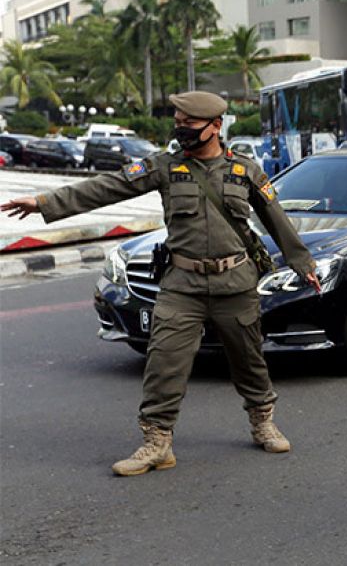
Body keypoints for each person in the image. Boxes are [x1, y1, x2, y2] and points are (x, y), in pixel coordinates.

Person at [2, 92, 320, 477]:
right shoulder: (165, 167)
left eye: (189, 123)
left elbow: (276, 218)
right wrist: (44, 203)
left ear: (215, 126)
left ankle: (262, 421)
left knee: (248, 360)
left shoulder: (245, 171)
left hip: (234, 283)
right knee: (163, 362)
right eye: (178, 121)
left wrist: (302, 263)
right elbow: (107, 187)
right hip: (181, 284)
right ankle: (157, 442)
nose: (180, 129)